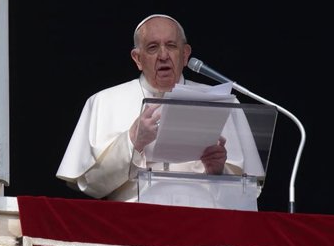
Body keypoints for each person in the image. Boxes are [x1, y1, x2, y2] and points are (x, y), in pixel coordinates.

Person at [56, 14, 248, 205]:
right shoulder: (104, 101)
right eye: (153, 47)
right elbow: (91, 186)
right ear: (137, 58)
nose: (163, 56)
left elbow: (247, 193)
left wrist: (219, 173)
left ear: (185, 54)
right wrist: (132, 141)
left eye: (171, 46)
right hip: (133, 225)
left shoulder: (220, 101)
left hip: (202, 222)